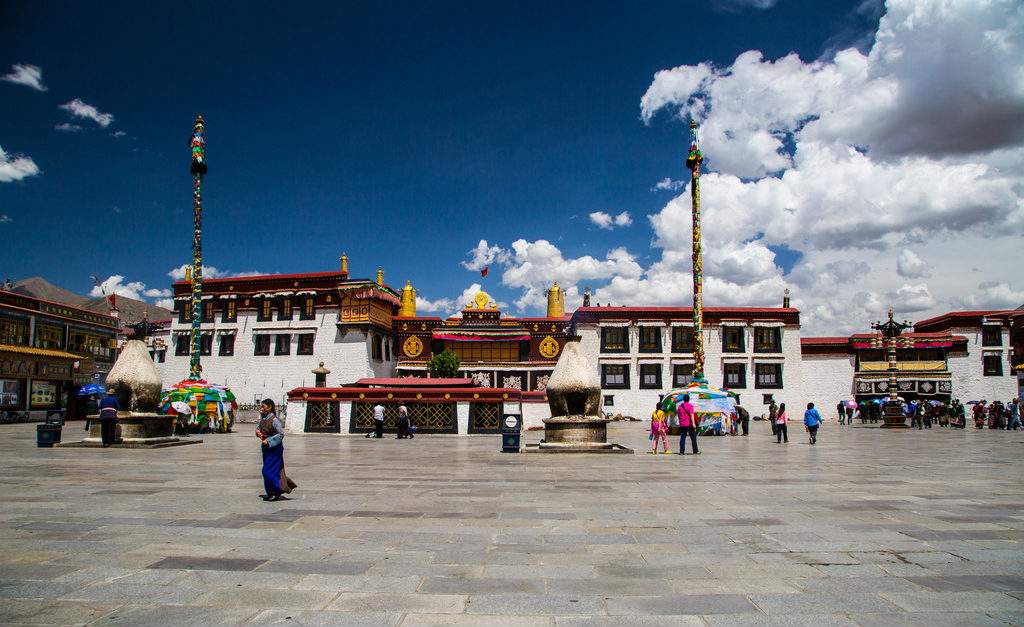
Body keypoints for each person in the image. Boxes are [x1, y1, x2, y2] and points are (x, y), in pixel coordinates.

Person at [256, 399, 297, 502]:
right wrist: (258, 432)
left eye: (263, 406)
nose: (261, 408)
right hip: (266, 449)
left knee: (268, 470)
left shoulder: (274, 420)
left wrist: (269, 441)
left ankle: (276, 491)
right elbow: (258, 428)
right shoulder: (263, 418)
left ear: (270, 407)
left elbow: (280, 434)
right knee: (268, 469)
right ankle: (270, 492)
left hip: (274, 448)